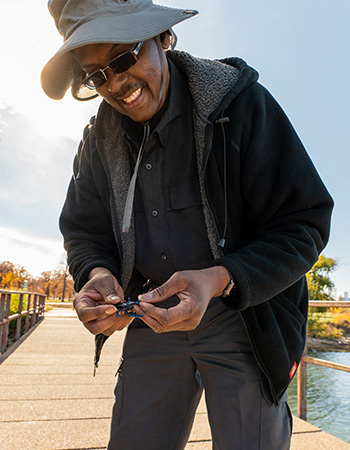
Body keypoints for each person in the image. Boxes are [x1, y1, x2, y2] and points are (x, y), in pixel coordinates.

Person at [41, 1, 333, 449]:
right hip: (147, 318)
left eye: (123, 57)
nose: (117, 84)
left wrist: (218, 279)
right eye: (96, 75)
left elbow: (305, 223)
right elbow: (83, 231)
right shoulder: (97, 140)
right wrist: (97, 275)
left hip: (246, 322)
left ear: (162, 37)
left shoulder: (242, 103)